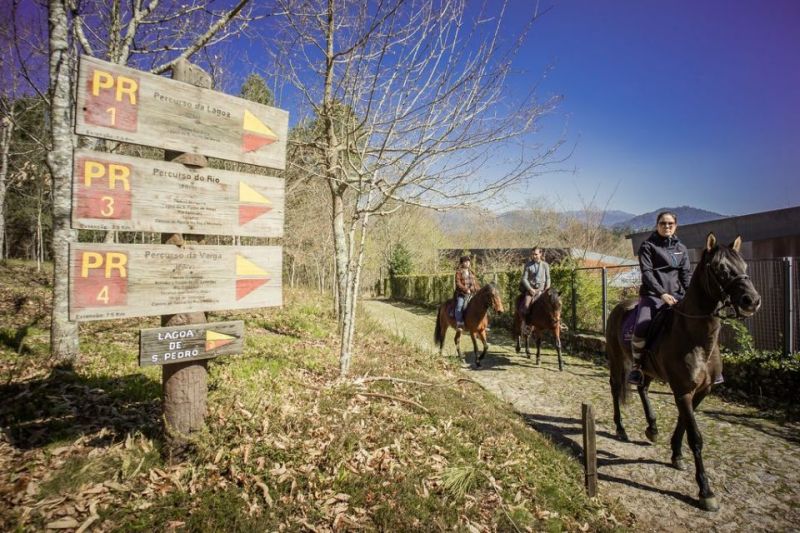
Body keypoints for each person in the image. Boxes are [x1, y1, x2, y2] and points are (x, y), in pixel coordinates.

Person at [628, 211, 691, 386]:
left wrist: (689, 296)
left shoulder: (682, 249)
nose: (667, 226)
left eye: (670, 223)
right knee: (641, 326)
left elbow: (685, 276)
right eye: (663, 223)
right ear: (657, 225)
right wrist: (662, 293)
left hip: (678, 296)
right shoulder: (648, 246)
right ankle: (636, 367)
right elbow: (647, 274)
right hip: (653, 296)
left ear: (675, 226)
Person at [519, 247, 550, 314]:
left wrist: (547, 288)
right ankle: (525, 323)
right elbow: (524, 279)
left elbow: (548, 278)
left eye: (536, 254)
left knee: (553, 306)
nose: (534, 256)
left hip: (542, 290)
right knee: (526, 307)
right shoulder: (527, 265)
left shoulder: (545, 265)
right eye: (533, 254)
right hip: (531, 291)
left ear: (540, 254)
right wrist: (530, 289)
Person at [454, 255, 479, 331]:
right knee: (459, 307)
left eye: (468, 261)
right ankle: (460, 323)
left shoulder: (472, 272)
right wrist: (466, 289)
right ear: (462, 263)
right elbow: (458, 283)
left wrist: (479, 290)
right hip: (462, 294)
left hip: (471, 293)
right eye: (466, 262)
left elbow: (475, 283)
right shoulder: (459, 272)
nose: (468, 263)